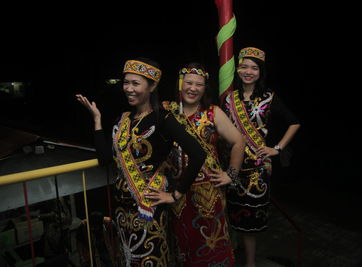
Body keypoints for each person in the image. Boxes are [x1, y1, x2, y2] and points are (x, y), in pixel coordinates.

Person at [76, 57, 206, 266]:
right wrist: (97, 120)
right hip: (121, 212)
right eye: (126, 82)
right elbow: (104, 160)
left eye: (136, 83)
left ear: (152, 86)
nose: (129, 88)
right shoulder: (124, 119)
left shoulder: (162, 118)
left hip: (149, 210)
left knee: (152, 260)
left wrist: (175, 194)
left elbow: (198, 154)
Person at [222, 47, 301, 267]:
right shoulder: (229, 99)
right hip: (231, 167)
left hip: (256, 170)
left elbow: (294, 122)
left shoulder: (269, 97)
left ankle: (250, 264)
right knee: (229, 214)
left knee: (249, 223)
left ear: (260, 71)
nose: (248, 71)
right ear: (237, 69)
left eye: (254, 68)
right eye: (244, 66)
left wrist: (276, 148)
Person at [162, 62, 245, 266]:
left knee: (211, 243)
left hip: (208, 193)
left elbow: (238, 141)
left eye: (199, 84)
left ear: (204, 88)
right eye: (188, 83)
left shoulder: (212, 112)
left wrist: (231, 174)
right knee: (182, 241)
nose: (193, 88)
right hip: (177, 190)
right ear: (180, 85)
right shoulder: (166, 110)